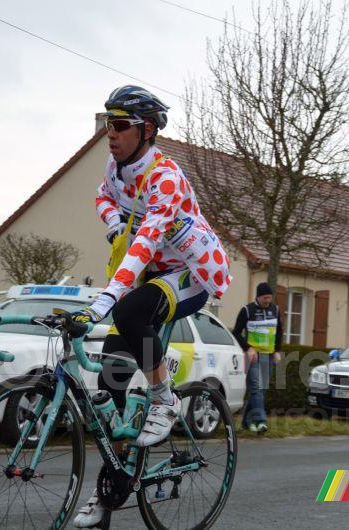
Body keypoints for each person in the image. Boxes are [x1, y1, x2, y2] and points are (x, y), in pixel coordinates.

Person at [72, 85, 232, 528]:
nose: (111, 133)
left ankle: (165, 399)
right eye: (108, 123)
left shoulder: (165, 177)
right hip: (149, 274)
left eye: (120, 125)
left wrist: (106, 297)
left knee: (127, 312)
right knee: (113, 384)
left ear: (146, 130)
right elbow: (103, 198)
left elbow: (144, 245)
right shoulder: (115, 168)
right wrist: (113, 224)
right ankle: (109, 489)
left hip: (190, 273)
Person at [232, 282, 283, 432]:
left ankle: (246, 423)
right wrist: (248, 349)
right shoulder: (247, 310)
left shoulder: (276, 309)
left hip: (268, 355)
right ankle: (261, 421)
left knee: (262, 390)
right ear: (258, 296)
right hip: (252, 357)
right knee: (256, 389)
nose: (268, 300)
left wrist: (278, 351)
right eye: (265, 298)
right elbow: (235, 332)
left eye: (270, 297)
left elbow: (279, 331)